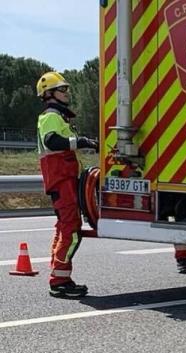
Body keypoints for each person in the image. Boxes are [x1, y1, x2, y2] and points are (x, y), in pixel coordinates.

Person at [36, 71, 98, 299]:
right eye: (62, 90)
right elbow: (52, 141)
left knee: (65, 226)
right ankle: (60, 280)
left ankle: (59, 276)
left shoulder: (59, 116)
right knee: (71, 230)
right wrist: (79, 142)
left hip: (64, 180)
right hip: (61, 180)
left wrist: (86, 143)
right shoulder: (51, 116)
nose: (67, 93)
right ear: (49, 94)